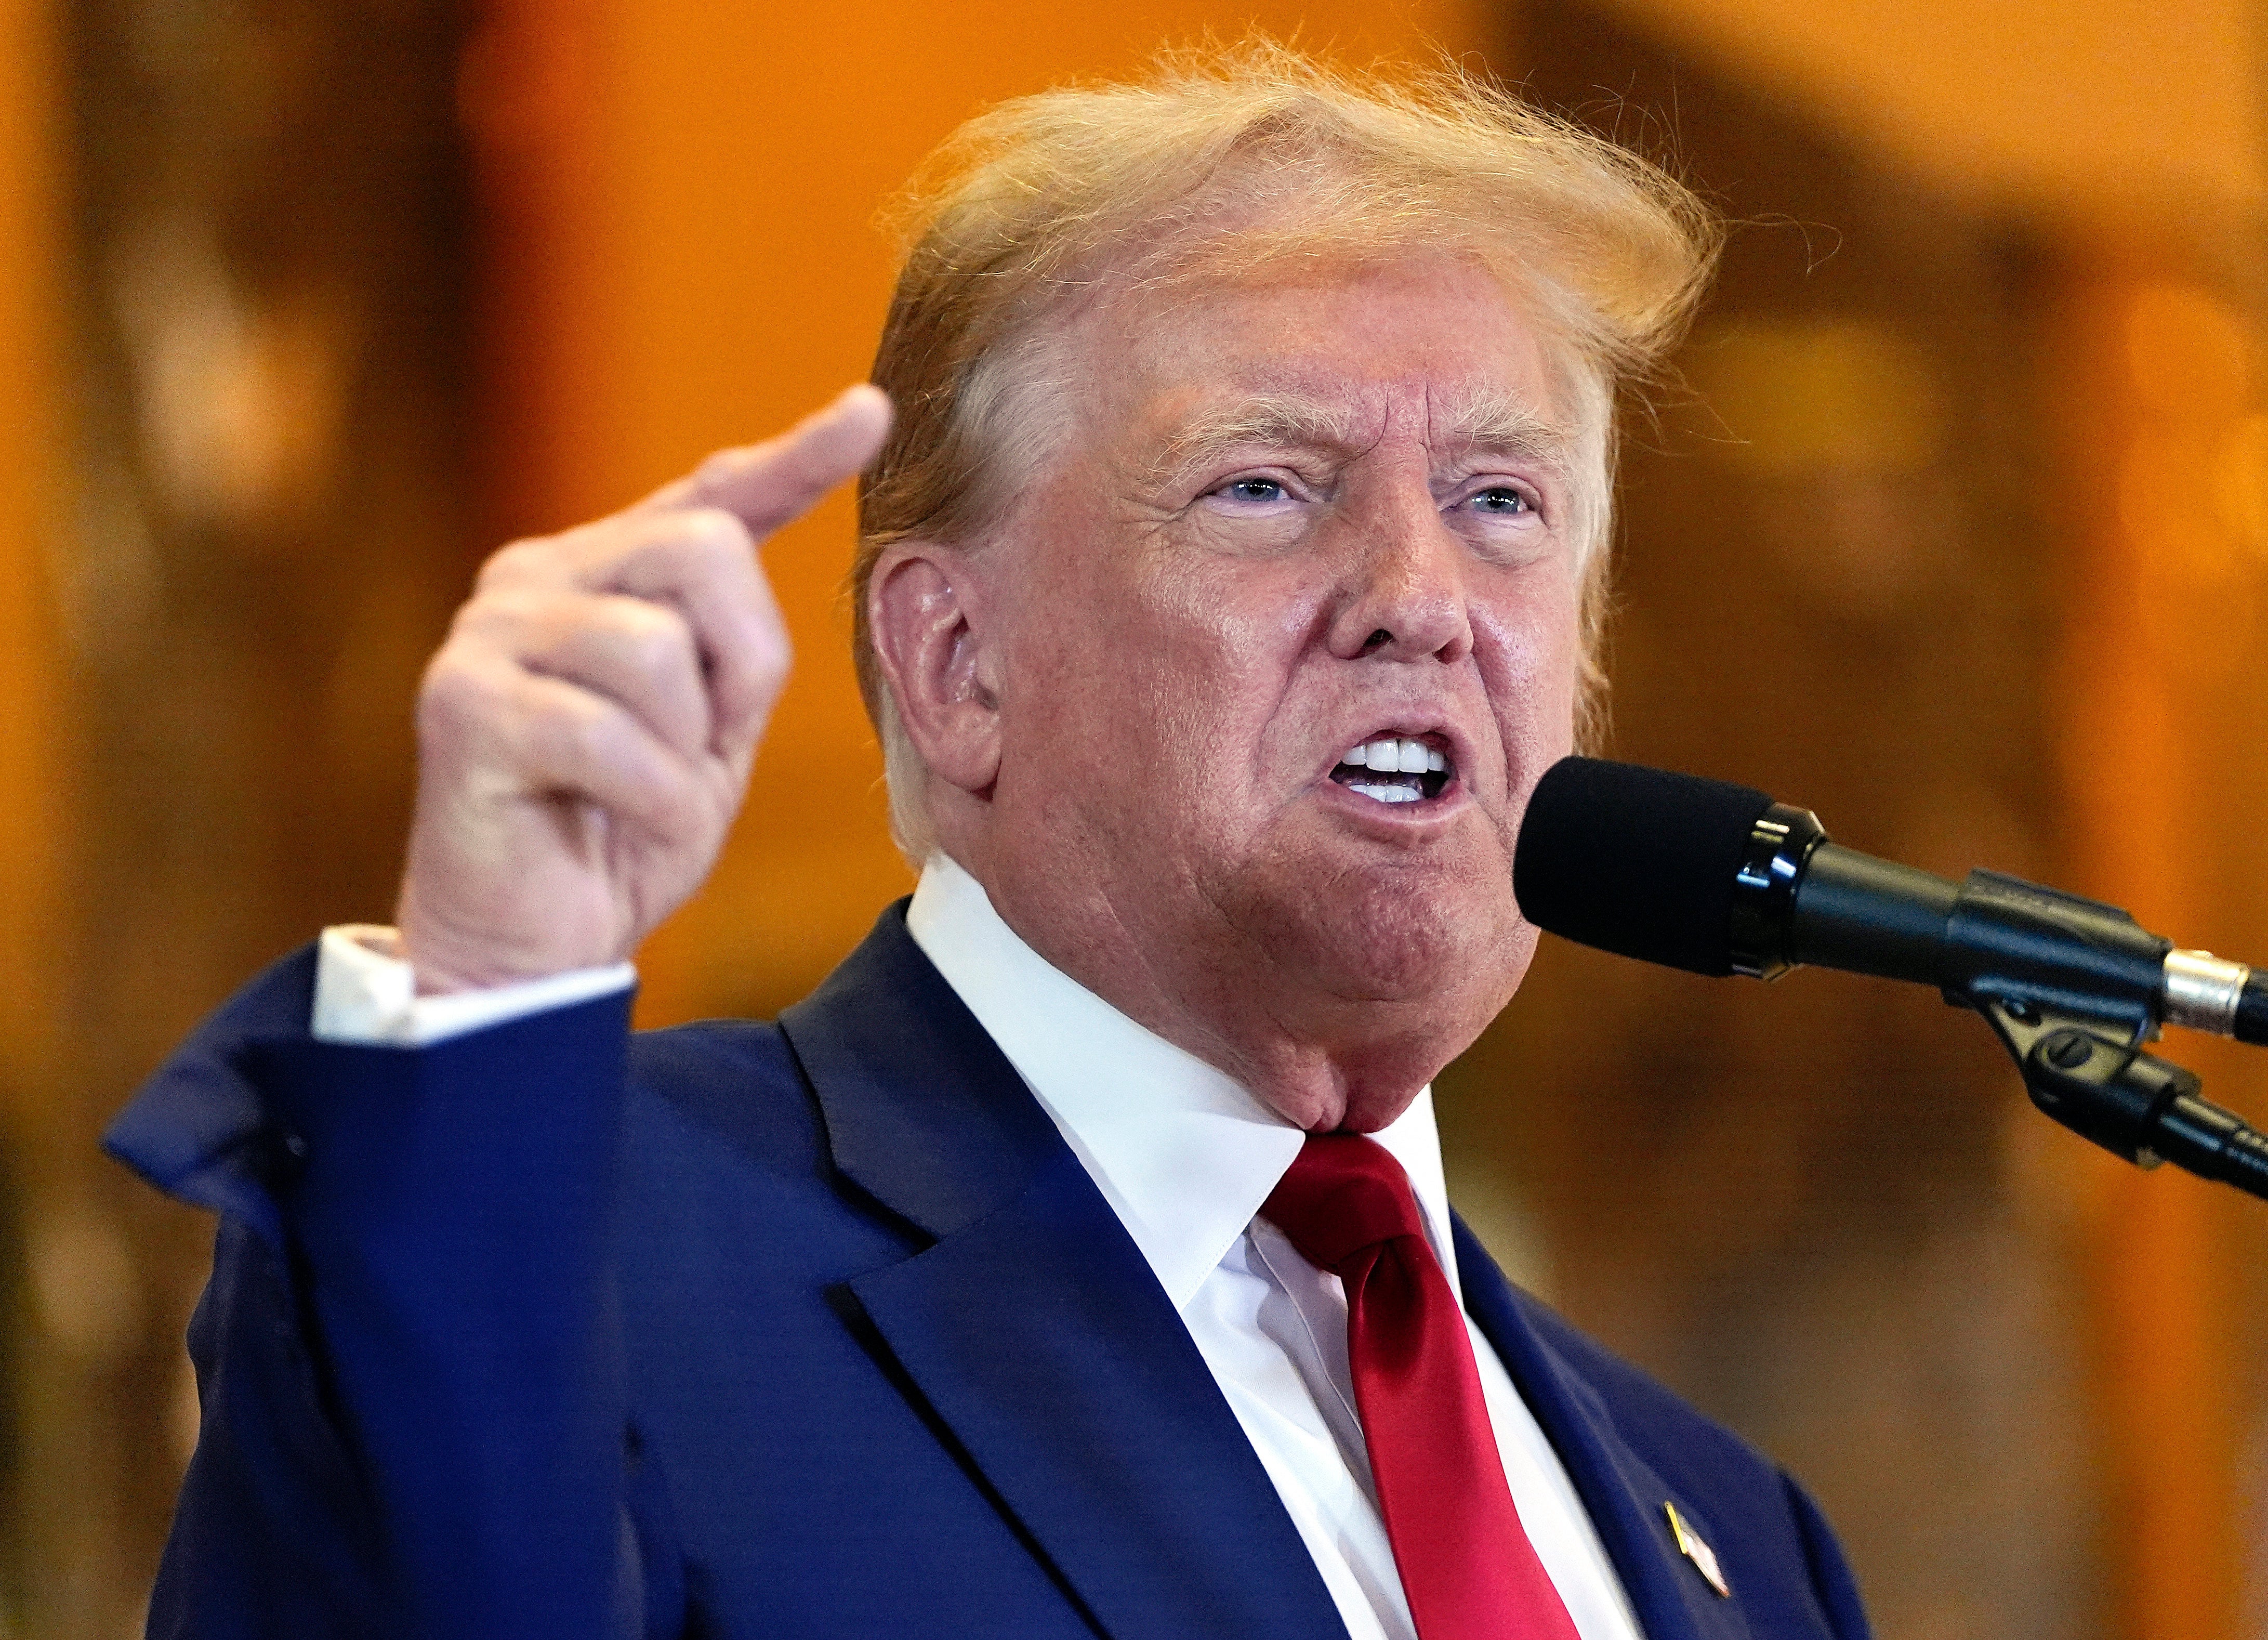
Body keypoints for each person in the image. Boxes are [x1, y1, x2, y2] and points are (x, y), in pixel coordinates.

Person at [109, 45, 1873, 1640]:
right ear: (957, 667)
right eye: (1267, 483)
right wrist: (486, 1003)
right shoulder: (578, 1256)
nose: (1422, 596)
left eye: (1502, 502)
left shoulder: (1737, 1533)